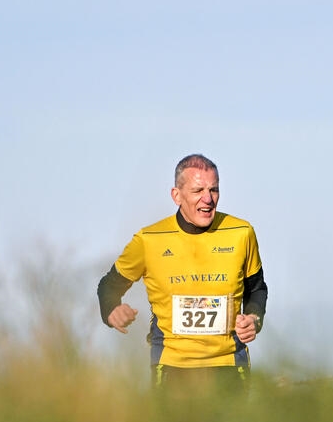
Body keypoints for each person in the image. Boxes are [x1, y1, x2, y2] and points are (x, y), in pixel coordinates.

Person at [97, 153, 268, 392]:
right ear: (176, 195)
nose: (208, 199)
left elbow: (257, 289)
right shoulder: (149, 239)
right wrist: (112, 309)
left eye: (214, 190)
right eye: (198, 190)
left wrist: (253, 318)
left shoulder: (241, 233)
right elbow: (108, 286)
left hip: (228, 365)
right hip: (171, 366)